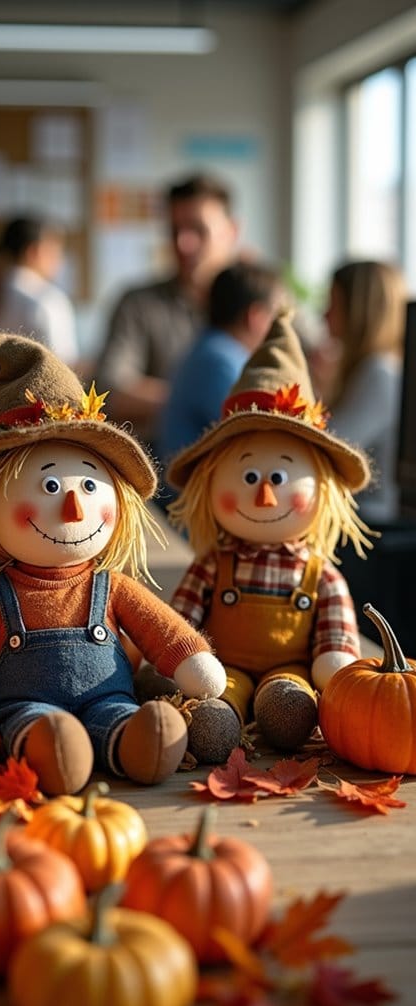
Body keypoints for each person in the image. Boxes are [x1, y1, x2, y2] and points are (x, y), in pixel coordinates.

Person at [0, 331, 227, 797]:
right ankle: (54, 753)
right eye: (50, 488)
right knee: (39, 731)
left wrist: (191, 659)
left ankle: (137, 744)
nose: (74, 509)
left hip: (110, 699)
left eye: (89, 486)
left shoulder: (110, 585)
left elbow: (163, 630)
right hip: (27, 709)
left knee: (128, 721)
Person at [162, 311, 373, 763]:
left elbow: (336, 641)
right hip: (223, 670)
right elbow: (180, 624)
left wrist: (336, 660)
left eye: (278, 476)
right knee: (219, 701)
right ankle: (220, 720)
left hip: (291, 669)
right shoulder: (212, 564)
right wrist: (173, 657)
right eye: (249, 475)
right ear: (210, 483)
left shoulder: (322, 575)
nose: (263, 494)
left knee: (290, 698)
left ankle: (284, 711)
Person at [96, 172, 240, 450]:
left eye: (199, 230)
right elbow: (111, 390)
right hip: (163, 471)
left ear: (232, 231)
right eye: (175, 231)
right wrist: (199, 398)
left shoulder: (261, 301)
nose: (184, 244)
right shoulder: (138, 304)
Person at [157, 259, 284, 479]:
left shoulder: (210, 350)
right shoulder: (220, 362)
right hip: (191, 501)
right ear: (256, 317)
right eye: (277, 316)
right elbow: (259, 438)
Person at [319, 259, 408, 524]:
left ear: (359, 311)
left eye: (333, 304)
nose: (324, 315)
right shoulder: (377, 368)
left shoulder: (379, 373)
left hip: (371, 525)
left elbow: (330, 451)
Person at [0, 215, 80, 367]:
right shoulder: (48, 300)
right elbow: (64, 370)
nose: (59, 260)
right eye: (55, 251)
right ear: (34, 251)